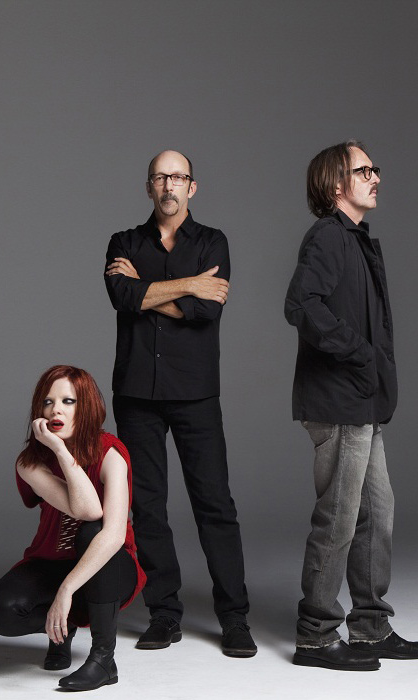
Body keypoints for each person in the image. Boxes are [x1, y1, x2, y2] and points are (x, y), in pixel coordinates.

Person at [104, 150, 256, 657]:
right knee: (146, 505)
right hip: (136, 393)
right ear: (148, 186)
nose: (169, 185)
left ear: (192, 187)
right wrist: (190, 284)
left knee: (215, 504)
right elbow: (122, 297)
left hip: (195, 393)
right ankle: (164, 614)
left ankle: (234, 617)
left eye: (178, 177)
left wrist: (146, 290)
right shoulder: (123, 242)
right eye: (160, 177)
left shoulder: (213, 241)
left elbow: (207, 311)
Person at [285, 139, 418, 670]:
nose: (375, 177)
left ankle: (369, 627)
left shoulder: (355, 240)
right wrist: (360, 354)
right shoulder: (328, 236)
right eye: (364, 171)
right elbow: (301, 305)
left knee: (377, 513)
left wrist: (372, 372)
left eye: (373, 169)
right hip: (338, 403)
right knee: (339, 518)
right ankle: (316, 635)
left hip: (362, 402)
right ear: (337, 184)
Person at [0, 365, 146, 691]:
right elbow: (83, 506)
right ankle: (62, 628)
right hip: (52, 562)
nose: (55, 409)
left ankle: (103, 659)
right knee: (1, 612)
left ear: (87, 406)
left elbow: (106, 527)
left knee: (93, 531)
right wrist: (57, 449)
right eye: (48, 402)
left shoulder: (111, 453)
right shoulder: (30, 461)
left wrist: (66, 590)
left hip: (110, 564)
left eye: (68, 401)